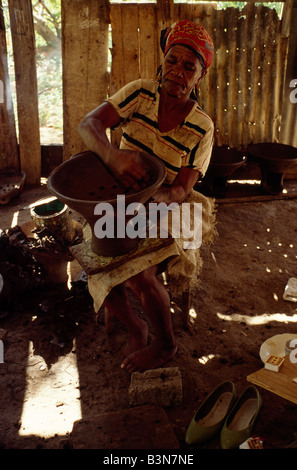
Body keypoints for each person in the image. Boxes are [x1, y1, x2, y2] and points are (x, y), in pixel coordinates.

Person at [78, 19, 215, 373]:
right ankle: (135, 325)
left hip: (167, 204)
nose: (177, 72)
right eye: (173, 61)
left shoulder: (202, 127)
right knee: (96, 262)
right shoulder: (140, 93)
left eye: (189, 67)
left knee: (140, 274)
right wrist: (113, 156)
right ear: (162, 62)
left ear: (199, 77)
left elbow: (185, 187)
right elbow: (89, 125)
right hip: (120, 194)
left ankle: (165, 345)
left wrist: (161, 199)